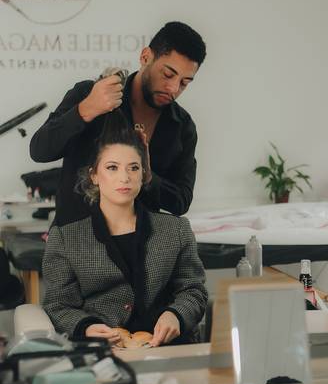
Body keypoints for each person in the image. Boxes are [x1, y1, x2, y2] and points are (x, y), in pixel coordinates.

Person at [42, 110, 208, 346]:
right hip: (102, 350)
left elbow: (193, 290)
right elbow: (57, 305)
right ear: (94, 175)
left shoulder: (176, 230)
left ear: (144, 174)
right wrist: (86, 327)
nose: (125, 177)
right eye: (112, 167)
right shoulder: (66, 238)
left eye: (133, 168)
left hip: (169, 347)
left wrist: (176, 315)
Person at [30, 21, 206, 225]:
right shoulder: (88, 94)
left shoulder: (183, 126)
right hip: (74, 239)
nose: (173, 88)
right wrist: (86, 109)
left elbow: (181, 201)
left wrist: (148, 177)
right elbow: (39, 151)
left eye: (184, 82)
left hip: (140, 242)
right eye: (168, 75)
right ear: (145, 57)